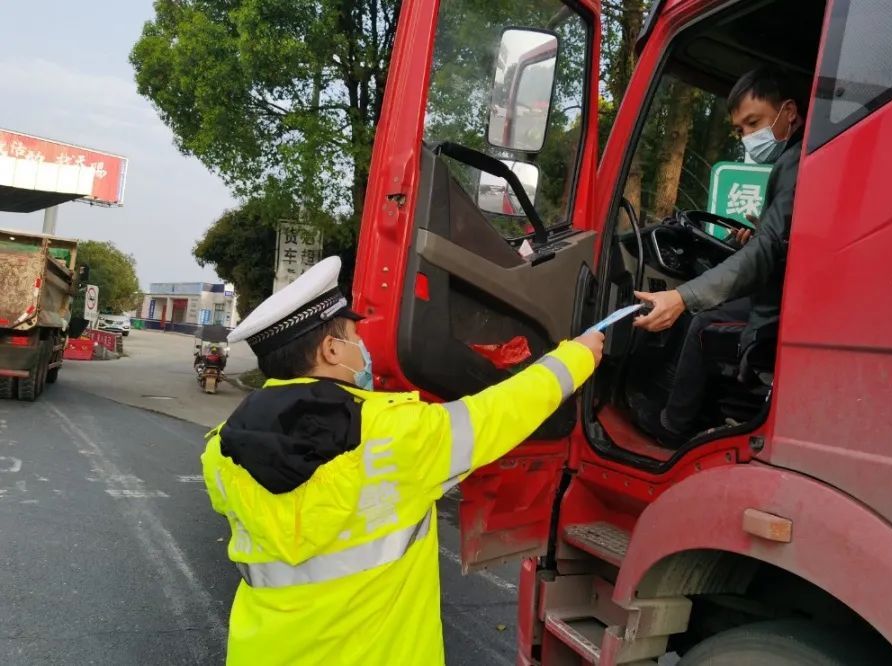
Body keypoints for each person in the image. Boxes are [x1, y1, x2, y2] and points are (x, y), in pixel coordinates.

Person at [201, 256, 604, 665]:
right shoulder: (397, 434)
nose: (364, 349)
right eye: (355, 336)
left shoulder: (220, 450)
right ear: (331, 349)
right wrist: (578, 356)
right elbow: (502, 411)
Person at [633, 66, 806, 446]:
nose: (747, 137)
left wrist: (681, 297)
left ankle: (673, 426)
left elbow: (770, 249)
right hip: (789, 296)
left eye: (753, 122)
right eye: (741, 130)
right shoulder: (797, 158)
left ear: (789, 111)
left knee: (700, 321)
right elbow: (781, 241)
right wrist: (756, 237)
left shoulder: (796, 162)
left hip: (780, 309)